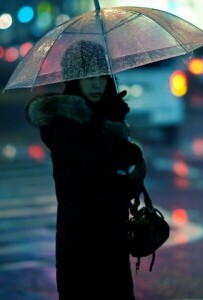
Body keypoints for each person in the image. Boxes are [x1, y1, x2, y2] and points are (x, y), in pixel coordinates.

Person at [26, 40, 145, 300]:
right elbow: (91, 178)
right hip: (80, 242)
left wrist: (134, 162)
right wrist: (116, 145)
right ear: (73, 79)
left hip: (113, 239)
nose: (96, 85)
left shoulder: (109, 118)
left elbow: (126, 185)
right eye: (88, 77)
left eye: (101, 77)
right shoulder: (65, 124)